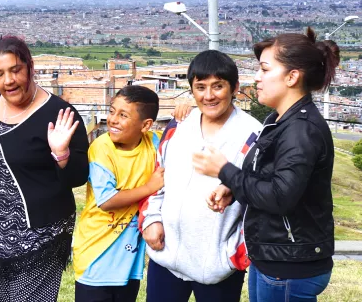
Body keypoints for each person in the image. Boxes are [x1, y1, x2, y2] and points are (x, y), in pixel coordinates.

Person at [193, 27, 338, 302]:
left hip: (290, 265)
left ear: (292, 77)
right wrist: (233, 188)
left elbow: (281, 197)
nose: (257, 77)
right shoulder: (279, 121)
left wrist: (225, 170)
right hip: (274, 257)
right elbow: (272, 177)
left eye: (265, 69)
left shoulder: (301, 130)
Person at [0, 35, 89, 302]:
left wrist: (62, 154)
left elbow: (78, 176)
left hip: (39, 236)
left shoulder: (59, 114)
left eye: (15, 70)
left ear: (30, 67)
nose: (8, 80)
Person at [140, 51, 261, 302]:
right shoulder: (178, 126)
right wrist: (151, 220)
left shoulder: (254, 135)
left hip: (218, 265)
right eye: (200, 87)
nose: (209, 96)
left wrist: (233, 254)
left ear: (235, 87)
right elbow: (158, 178)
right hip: (167, 257)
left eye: (218, 86)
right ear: (191, 90)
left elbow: (259, 197)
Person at [72, 85, 164, 302]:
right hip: (95, 257)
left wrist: (182, 116)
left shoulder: (155, 143)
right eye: (112, 111)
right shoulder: (101, 148)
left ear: (146, 125)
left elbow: (184, 138)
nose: (113, 119)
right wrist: (149, 187)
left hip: (128, 263)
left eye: (123, 115)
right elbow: (106, 200)